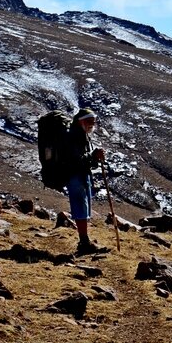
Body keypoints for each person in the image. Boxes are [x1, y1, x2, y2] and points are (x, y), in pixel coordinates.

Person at [65, 108, 106, 254]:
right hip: (75, 176)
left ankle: (85, 240)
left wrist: (94, 158)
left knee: (84, 207)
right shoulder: (74, 137)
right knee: (81, 208)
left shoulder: (82, 135)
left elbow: (85, 159)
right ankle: (84, 243)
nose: (92, 125)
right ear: (81, 121)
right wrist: (94, 156)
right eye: (89, 121)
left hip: (82, 176)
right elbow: (76, 160)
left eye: (93, 122)